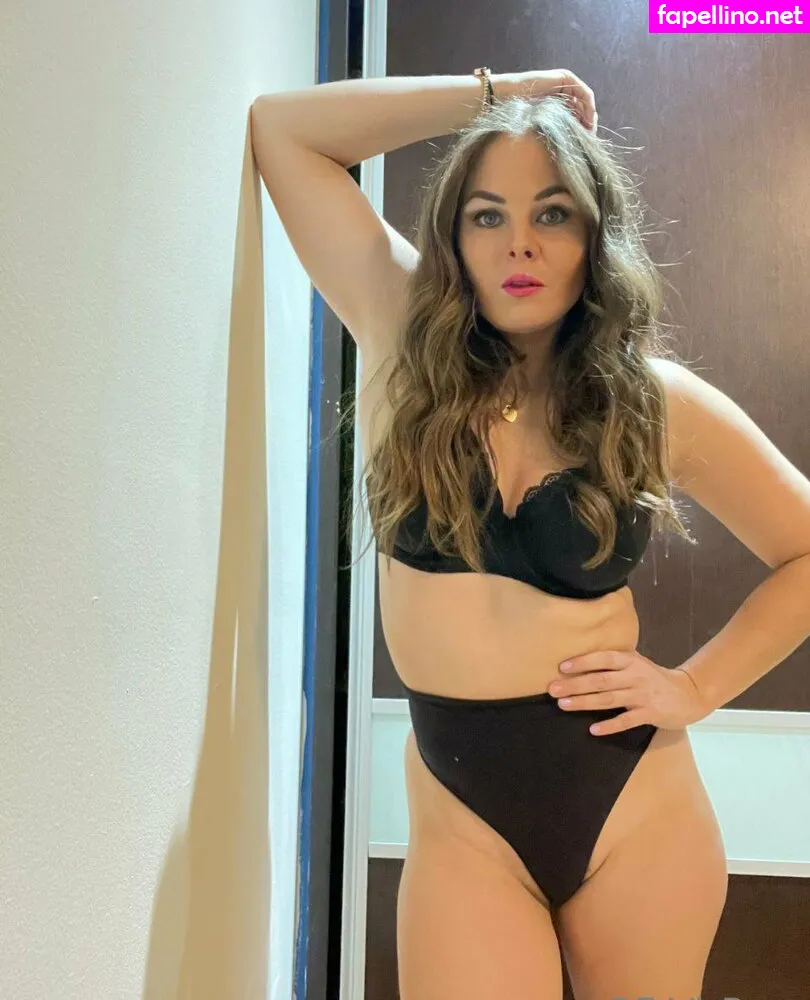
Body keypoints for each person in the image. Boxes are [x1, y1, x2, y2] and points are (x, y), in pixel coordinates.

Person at [250, 68, 810, 1000]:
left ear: (595, 235)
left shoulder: (651, 402)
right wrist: (496, 96)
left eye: (552, 213)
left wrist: (696, 687)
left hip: (634, 810)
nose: (519, 243)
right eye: (487, 215)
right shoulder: (398, 335)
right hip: (463, 822)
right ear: (454, 237)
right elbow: (284, 133)